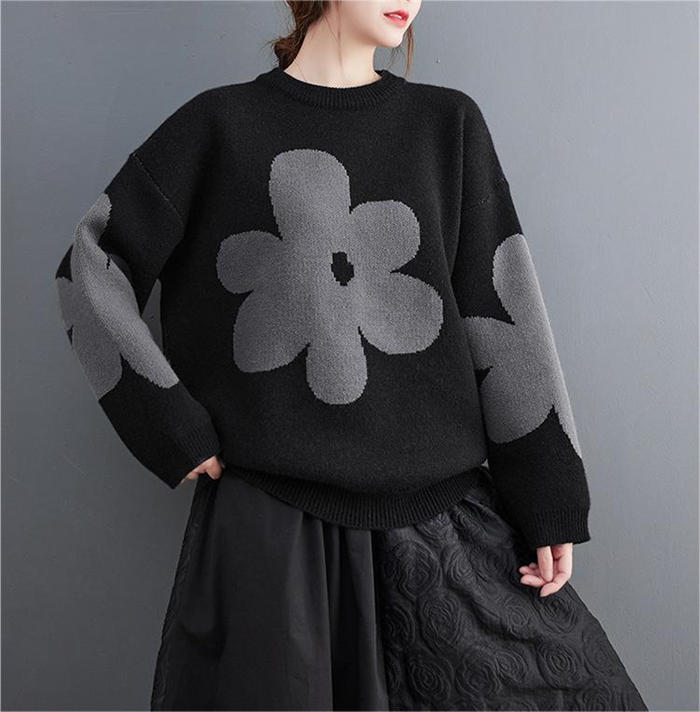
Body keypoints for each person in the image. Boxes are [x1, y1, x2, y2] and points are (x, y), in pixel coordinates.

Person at [53, 0, 649, 709]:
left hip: (440, 522)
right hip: (269, 532)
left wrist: (548, 494)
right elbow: (90, 267)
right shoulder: (217, 126)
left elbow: (501, 308)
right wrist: (168, 426)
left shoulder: (447, 125)